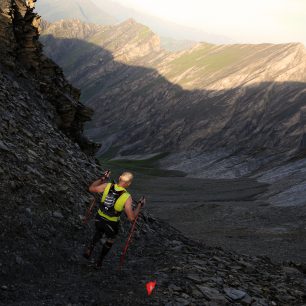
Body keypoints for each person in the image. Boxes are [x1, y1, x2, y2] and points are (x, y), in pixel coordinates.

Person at [83, 171, 144, 268]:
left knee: (99, 231)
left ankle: (90, 247)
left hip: (99, 218)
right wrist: (139, 206)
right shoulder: (127, 197)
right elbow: (131, 217)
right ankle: (99, 261)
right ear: (129, 184)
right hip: (111, 223)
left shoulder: (107, 185)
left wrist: (102, 178)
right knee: (110, 239)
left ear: (119, 177)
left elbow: (91, 188)